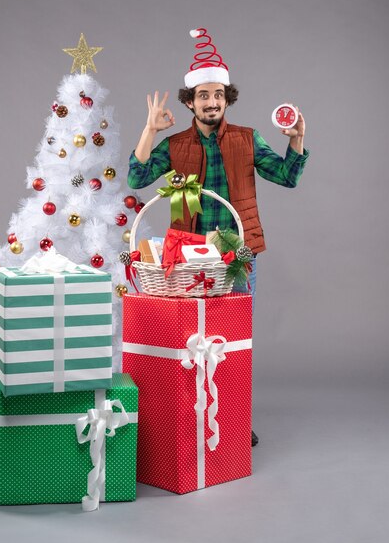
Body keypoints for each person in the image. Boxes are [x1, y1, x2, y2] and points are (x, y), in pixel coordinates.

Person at [127, 29, 309, 447]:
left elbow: (286, 176)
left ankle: (232, 421)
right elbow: (137, 178)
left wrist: (297, 141)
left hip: (236, 254)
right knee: (187, 340)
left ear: (227, 99)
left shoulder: (247, 139)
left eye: (219, 95)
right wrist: (149, 130)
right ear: (189, 101)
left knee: (231, 343)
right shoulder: (174, 145)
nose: (212, 102)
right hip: (187, 255)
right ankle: (186, 421)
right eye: (204, 95)